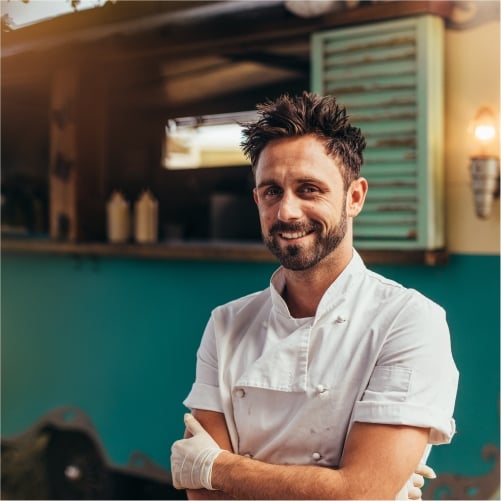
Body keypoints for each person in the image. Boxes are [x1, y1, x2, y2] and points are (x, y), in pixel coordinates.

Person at [170, 92, 459, 500]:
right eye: (271, 191)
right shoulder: (227, 324)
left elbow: (359, 494)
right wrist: (341, 486)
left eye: (309, 189)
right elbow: (202, 495)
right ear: (257, 200)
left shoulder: (408, 321)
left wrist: (216, 466)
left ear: (354, 197)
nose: (287, 211)